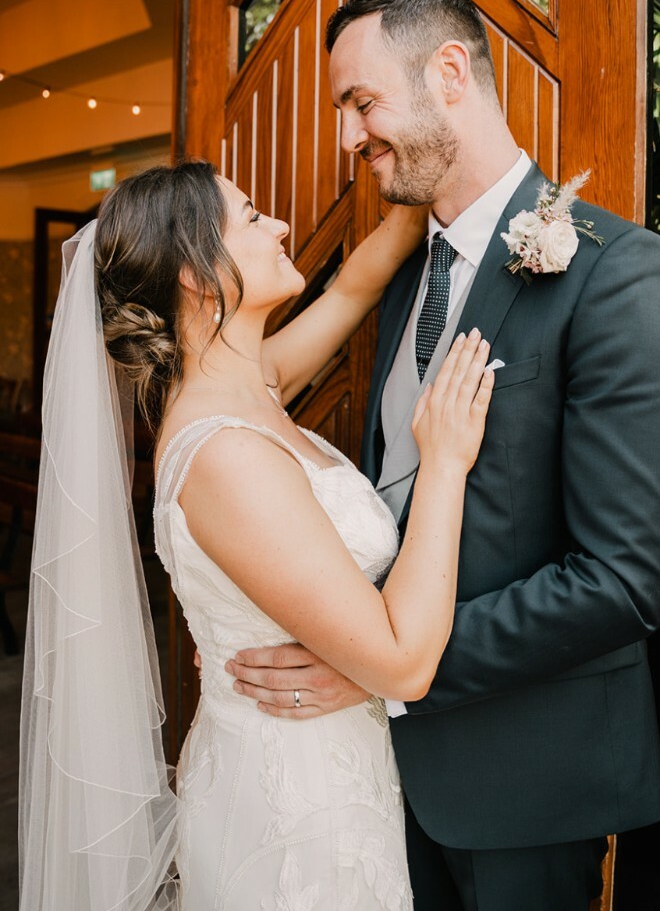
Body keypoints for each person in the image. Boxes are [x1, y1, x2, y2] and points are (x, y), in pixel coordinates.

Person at [226, 0, 660, 911]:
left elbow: (626, 579)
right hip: (379, 785)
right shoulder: (401, 276)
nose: (349, 137)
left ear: (450, 73)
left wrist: (387, 669)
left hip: (526, 785)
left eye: (362, 101)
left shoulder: (615, 275)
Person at [19, 159, 496, 911]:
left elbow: (353, 289)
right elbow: (403, 664)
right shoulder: (226, 455)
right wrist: (444, 462)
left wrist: (422, 186)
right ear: (196, 275)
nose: (279, 226)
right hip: (294, 813)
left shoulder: (252, 382)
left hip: (322, 772)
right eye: (250, 216)